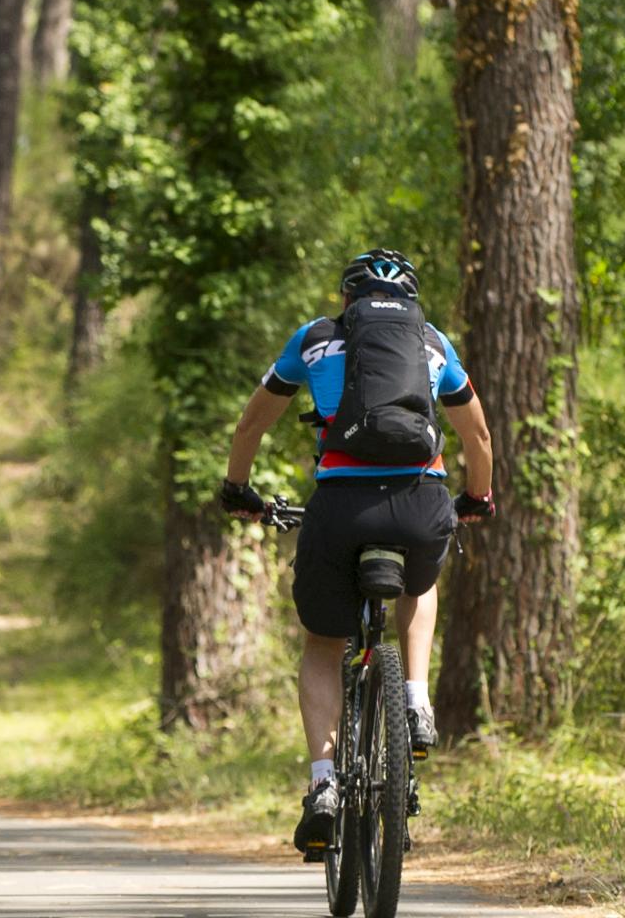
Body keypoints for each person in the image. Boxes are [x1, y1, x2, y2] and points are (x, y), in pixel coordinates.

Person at [219, 249, 496, 858]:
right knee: (421, 586)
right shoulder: (433, 343)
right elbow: (476, 434)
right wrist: (475, 498)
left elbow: (252, 427)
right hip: (421, 503)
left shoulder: (314, 339)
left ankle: (322, 785)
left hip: (341, 509)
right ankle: (417, 700)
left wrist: (238, 490)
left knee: (323, 642)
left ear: (347, 299)